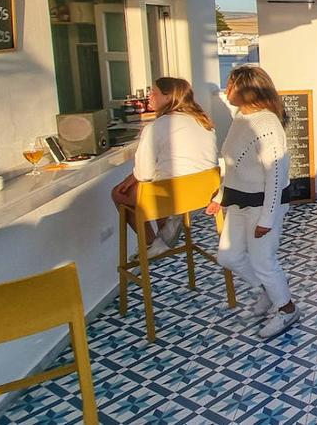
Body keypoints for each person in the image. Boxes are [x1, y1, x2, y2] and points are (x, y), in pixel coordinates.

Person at [206, 66, 299, 339]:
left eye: (230, 84)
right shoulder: (242, 118)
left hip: (262, 204)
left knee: (263, 261)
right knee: (228, 256)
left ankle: (286, 308)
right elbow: (235, 165)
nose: (226, 89)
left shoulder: (267, 124)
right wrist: (220, 197)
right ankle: (270, 292)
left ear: (246, 89)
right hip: (238, 201)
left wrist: (267, 219)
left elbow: (276, 173)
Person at [111, 77, 218, 257]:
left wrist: (133, 178)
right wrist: (132, 178)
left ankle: (153, 243)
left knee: (119, 193)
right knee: (155, 181)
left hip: (172, 196)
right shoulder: (203, 122)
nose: (149, 97)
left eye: (154, 93)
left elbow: (144, 174)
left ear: (169, 97)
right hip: (203, 194)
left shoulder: (155, 128)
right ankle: (168, 227)